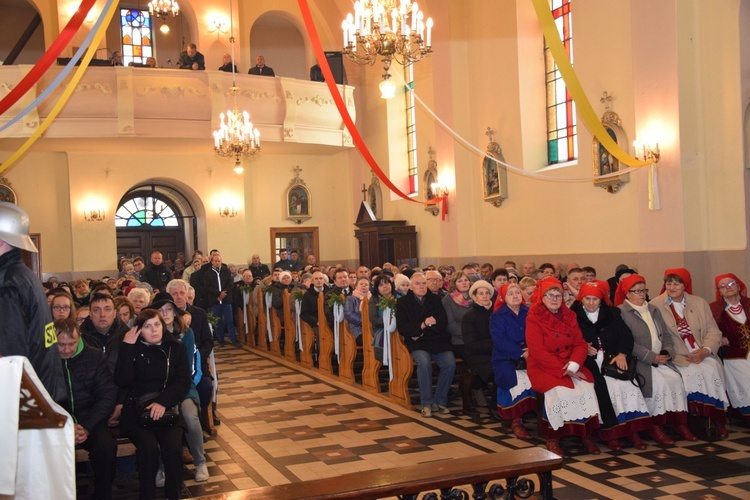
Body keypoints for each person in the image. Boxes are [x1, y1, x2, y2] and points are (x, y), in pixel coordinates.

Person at [114, 310, 191, 499]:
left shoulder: (176, 348)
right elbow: (122, 380)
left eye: (157, 324)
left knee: (173, 449)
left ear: (163, 325)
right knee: (148, 449)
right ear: (139, 330)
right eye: (147, 326)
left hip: (167, 408)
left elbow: (183, 382)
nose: (154, 330)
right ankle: (146, 495)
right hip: (137, 410)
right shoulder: (132, 347)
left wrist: (163, 402)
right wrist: (127, 348)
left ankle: (173, 494)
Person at [571, 281, 652, 451]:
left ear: (601, 299)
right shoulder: (573, 315)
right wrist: (583, 346)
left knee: (628, 385)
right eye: (587, 299)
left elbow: (626, 336)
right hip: (588, 361)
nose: (591, 302)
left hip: (612, 358)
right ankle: (611, 434)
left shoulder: (613, 313)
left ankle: (633, 431)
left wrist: (622, 353)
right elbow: (568, 338)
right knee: (608, 387)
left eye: (595, 299)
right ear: (581, 299)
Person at [651, 268, 729, 439]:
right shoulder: (655, 305)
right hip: (678, 355)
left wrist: (705, 350)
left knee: (712, 370)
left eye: (677, 282)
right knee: (691, 373)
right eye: (668, 282)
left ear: (685, 284)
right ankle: (687, 423)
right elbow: (658, 336)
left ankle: (717, 420)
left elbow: (713, 331)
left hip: (701, 351)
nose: (672, 287)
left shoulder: (699, 302)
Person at [526, 277, 601, 456]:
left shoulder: (570, 315)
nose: (554, 299)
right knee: (559, 392)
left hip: (570, 364)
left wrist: (574, 366)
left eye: (558, 295)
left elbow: (580, 344)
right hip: (544, 366)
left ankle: (585, 434)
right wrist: (563, 370)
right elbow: (537, 351)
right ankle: (553, 437)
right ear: (542, 297)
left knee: (587, 388)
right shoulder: (534, 317)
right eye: (549, 295)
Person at [0, 202, 66, 403]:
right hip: (40, 388)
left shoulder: (7, 284)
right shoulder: (24, 275)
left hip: (24, 398)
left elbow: (11, 356)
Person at [616, 274, 692, 444]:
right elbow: (628, 342)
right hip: (641, 361)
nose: (641, 294)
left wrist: (667, 352)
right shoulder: (621, 312)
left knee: (676, 380)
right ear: (627, 293)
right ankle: (655, 427)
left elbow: (665, 335)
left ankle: (679, 424)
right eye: (636, 291)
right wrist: (651, 357)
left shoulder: (652, 309)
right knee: (659, 384)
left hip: (661, 359)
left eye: (643, 290)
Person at [149, 293, 209, 482]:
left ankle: (200, 462)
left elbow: (187, 368)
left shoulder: (186, 333)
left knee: (190, 416)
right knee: (160, 418)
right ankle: (162, 466)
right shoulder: (149, 332)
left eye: (169, 309)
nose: (165, 313)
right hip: (157, 388)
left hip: (183, 386)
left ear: (175, 312)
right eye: (160, 310)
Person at [56, 318, 117, 500]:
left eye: (71, 344)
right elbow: (43, 398)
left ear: (79, 338)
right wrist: (66, 425)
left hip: (90, 417)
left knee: (106, 446)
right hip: (59, 419)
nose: (67, 349)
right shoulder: (45, 359)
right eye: (61, 345)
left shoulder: (95, 356)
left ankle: (102, 494)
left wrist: (86, 426)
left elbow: (107, 395)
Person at [395, 273, 455, 417]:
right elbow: (403, 327)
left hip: (436, 339)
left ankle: (439, 401)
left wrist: (422, 330)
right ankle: (426, 403)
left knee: (449, 362)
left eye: (423, 284)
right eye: (418, 284)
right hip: (417, 343)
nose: (421, 287)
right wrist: (422, 325)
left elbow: (442, 322)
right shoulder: (403, 302)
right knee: (424, 362)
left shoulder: (435, 300)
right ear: (410, 286)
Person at [490, 283, 536, 439]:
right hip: (505, 356)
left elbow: (536, 333)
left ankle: (541, 416)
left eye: (518, 292)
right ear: (503, 297)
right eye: (511, 293)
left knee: (542, 375)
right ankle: (516, 421)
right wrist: (520, 353)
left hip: (530, 353)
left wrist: (531, 349)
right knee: (513, 379)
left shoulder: (528, 312)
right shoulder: (498, 316)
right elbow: (500, 341)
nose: (515, 296)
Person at [710, 273, 750, 423]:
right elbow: (708, 330)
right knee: (746, 377)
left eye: (731, 284)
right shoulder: (714, 309)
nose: (728, 288)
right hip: (734, 355)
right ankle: (745, 413)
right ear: (719, 291)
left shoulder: (749, 304)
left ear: (739, 286)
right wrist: (718, 337)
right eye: (723, 286)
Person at [461, 280, 496, 409]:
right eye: (481, 293)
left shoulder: (496, 313)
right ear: (474, 297)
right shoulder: (469, 317)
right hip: (476, 354)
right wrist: (494, 343)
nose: (485, 296)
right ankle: (494, 406)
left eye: (487, 293)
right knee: (497, 370)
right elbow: (471, 345)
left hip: (495, 351)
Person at [203, 253, 241, 347]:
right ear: (212, 262)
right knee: (218, 321)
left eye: (219, 261)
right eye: (215, 261)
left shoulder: (226, 271)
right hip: (215, 300)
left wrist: (224, 294)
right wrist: (218, 294)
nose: (217, 262)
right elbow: (208, 287)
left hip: (226, 299)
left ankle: (233, 339)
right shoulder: (208, 273)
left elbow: (230, 284)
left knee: (229, 320)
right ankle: (220, 340)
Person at [442, 271, 473, 361]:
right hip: (458, 341)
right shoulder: (448, 300)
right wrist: (470, 334)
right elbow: (450, 325)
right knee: (475, 357)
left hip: (475, 339)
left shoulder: (475, 298)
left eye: (466, 280)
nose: (464, 283)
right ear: (454, 284)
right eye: (459, 281)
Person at [369, 274, 395, 362]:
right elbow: (374, 320)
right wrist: (390, 321)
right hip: (382, 329)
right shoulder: (374, 300)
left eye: (386, 283)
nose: (384, 286)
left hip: (401, 328)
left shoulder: (400, 297)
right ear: (377, 288)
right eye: (381, 285)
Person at [344, 277, 371, 346]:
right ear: (356, 286)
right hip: (357, 329)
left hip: (371, 328)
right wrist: (364, 321)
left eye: (366, 284)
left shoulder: (372, 299)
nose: (364, 286)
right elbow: (349, 314)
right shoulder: (350, 298)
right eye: (361, 284)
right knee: (369, 341)